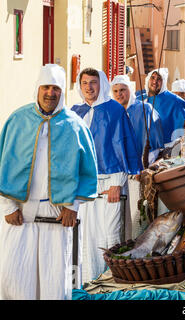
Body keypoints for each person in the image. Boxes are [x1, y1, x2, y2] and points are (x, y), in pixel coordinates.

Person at [0, 64, 98, 299]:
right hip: (19, 213)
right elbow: (3, 162)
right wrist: (8, 206)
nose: (50, 93)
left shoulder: (75, 125)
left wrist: (72, 207)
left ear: (62, 91)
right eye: (46, 87)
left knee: (53, 283)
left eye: (56, 88)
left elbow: (86, 172)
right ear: (38, 88)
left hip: (57, 215)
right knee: (12, 277)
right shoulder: (17, 120)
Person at [71, 68, 143, 284]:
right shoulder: (75, 112)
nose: (89, 87)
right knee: (87, 235)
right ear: (79, 85)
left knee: (110, 233)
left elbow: (122, 144)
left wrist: (116, 183)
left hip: (110, 182)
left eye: (93, 82)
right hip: (84, 184)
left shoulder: (114, 110)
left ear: (101, 84)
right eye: (84, 83)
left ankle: (111, 280)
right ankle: (90, 282)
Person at [111, 75, 164, 240]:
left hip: (138, 172)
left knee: (137, 214)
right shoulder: (112, 113)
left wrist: (144, 166)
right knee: (118, 216)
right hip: (117, 174)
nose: (120, 94)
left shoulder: (144, 109)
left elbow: (155, 142)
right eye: (116, 91)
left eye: (123, 90)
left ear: (130, 90)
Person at [144, 68, 185, 145]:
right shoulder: (140, 99)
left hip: (166, 150)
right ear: (148, 79)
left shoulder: (175, 101)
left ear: (163, 82)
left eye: (159, 79)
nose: (155, 81)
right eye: (153, 77)